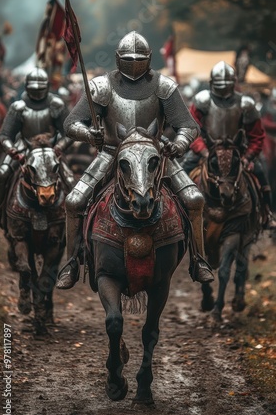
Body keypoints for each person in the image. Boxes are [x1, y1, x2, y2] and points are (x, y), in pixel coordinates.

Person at [56, 30, 214, 289]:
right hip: (111, 152)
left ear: (149, 58)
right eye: (128, 58)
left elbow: (188, 126)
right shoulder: (102, 86)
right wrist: (89, 134)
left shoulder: (163, 86)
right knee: (74, 201)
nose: (133, 63)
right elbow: (71, 123)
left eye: (138, 58)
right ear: (118, 59)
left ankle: (198, 259)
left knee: (194, 199)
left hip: (156, 153)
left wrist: (179, 143)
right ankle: (72, 261)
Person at [182, 60, 276, 229]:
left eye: (226, 84)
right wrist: (203, 151)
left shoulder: (245, 104)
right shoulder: (202, 100)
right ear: (212, 83)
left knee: (261, 173)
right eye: (220, 85)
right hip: (206, 152)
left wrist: (248, 157)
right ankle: (180, 217)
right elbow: (192, 130)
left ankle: (266, 214)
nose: (223, 88)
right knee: (181, 174)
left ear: (233, 84)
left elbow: (256, 136)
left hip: (238, 153)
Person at [0, 67, 74, 228]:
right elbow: (4, 135)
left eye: (40, 89)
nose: (37, 92)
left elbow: (68, 132)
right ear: (27, 88)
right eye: (34, 89)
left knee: (71, 181)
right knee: (2, 174)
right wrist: (13, 151)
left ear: (46, 87)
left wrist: (59, 147)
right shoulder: (18, 107)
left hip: (51, 150)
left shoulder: (56, 105)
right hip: (24, 147)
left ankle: (77, 220)